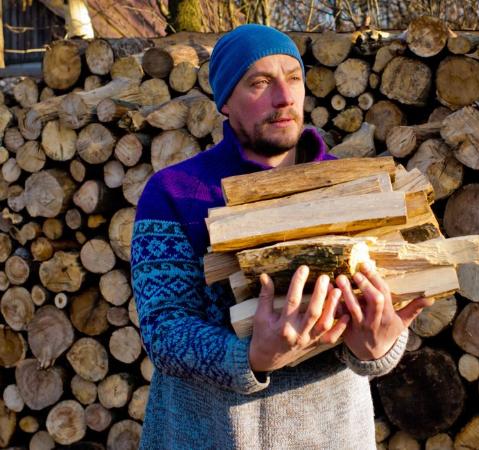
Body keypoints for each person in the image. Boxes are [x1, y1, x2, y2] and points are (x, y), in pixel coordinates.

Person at [131, 24, 432, 449]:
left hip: (332, 435)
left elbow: (381, 324)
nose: (284, 97)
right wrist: (250, 356)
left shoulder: (357, 190)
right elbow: (165, 331)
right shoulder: (175, 192)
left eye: (293, 78)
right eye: (259, 82)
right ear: (225, 102)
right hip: (207, 437)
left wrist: (379, 347)